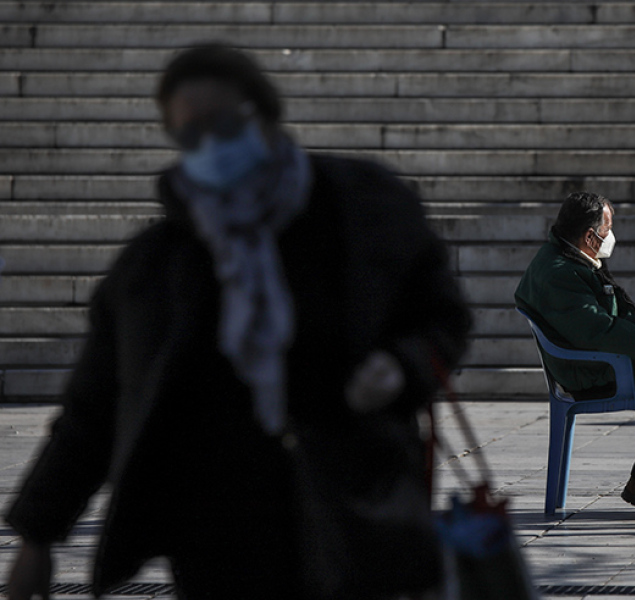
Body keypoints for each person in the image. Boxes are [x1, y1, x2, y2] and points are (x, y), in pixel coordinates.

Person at [4, 44, 470, 600]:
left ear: (263, 114)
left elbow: (443, 316)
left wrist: (402, 365)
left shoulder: (363, 208)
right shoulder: (156, 266)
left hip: (359, 506)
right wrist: (37, 535)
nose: (211, 145)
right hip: (216, 530)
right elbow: (96, 406)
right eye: (190, 134)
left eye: (223, 123)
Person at [515, 192, 635, 517]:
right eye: (607, 228)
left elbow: (619, 319)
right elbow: (598, 328)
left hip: (619, 360)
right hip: (599, 371)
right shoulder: (559, 272)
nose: (610, 236)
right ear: (589, 235)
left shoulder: (571, 259)